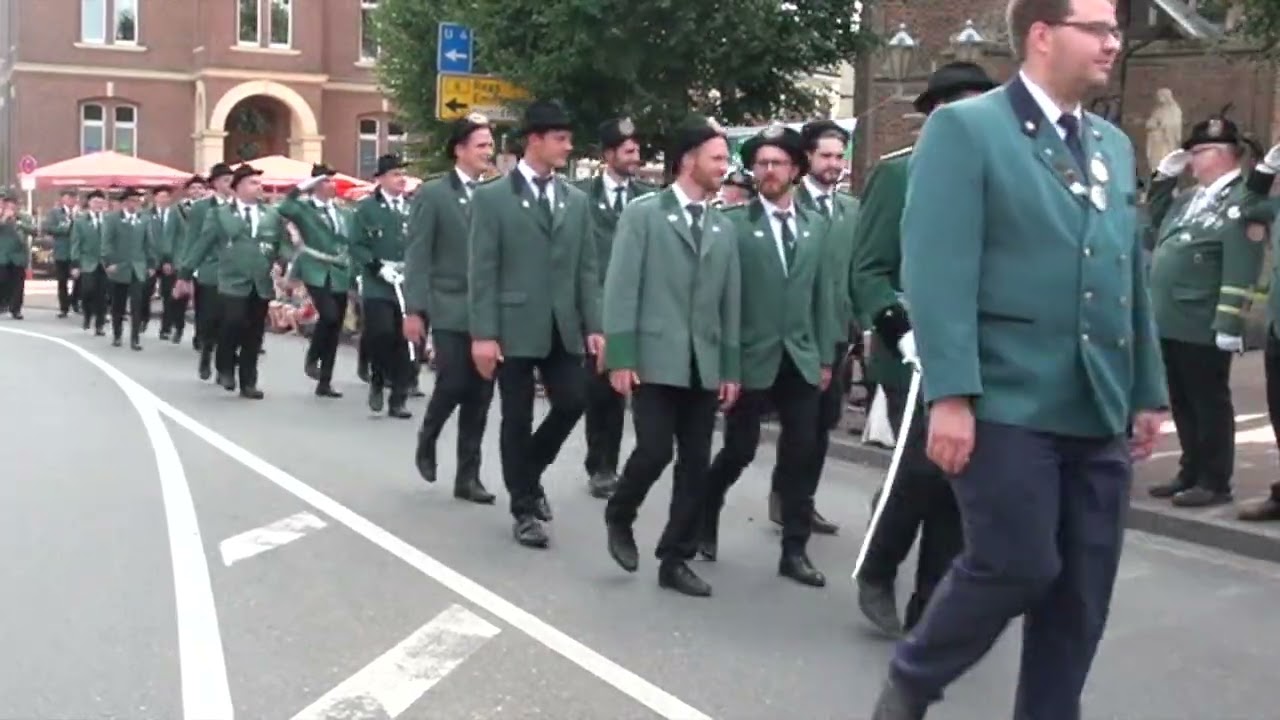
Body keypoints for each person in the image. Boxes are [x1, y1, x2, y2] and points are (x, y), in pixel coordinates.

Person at [869, 0, 1169, 717]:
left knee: (1081, 592)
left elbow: (1126, 271)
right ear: (1041, 35)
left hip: (1094, 399)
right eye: (1096, 29)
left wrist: (1146, 390)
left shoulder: (1110, 144)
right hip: (1005, 399)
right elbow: (939, 270)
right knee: (1017, 563)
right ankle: (912, 682)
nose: (1113, 43)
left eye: (1114, 30)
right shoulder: (967, 130)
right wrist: (949, 394)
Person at [849, 61, 996, 637]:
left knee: (960, 479)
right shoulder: (899, 175)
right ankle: (878, 566)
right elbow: (868, 269)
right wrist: (902, 329)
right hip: (911, 347)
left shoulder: (995, 177)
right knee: (922, 468)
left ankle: (931, 604)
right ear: (934, 115)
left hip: (978, 347)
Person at [603, 114, 740, 597]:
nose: (725, 166)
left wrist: (730, 367)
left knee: (696, 463)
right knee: (656, 449)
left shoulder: (723, 228)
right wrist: (620, 356)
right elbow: (621, 288)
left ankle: (675, 557)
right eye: (718, 157)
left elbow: (731, 304)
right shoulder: (644, 214)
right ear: (688, 160)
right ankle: (621, 511)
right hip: (653, 357)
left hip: (703, 363)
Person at [697, 125, 834, 588]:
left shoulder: (816, 227)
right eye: (761, 164)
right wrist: (724, 364)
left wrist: (824, 354)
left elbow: (821, 294)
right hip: (749, 358)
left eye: (777, 163)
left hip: (798, 356)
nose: (768, 171)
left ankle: (794, 549)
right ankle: (705, 511)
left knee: (801, 451)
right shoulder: (733, 225)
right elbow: (719, 301)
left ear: (796, 170)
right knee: (739, 449)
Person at [468, 99, 602, 549]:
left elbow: (587, 268)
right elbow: (482, 270)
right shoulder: (492, 198)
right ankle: (524, 508)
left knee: (572, 401)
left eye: (569, 138)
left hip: (563, 325)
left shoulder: (576, 200)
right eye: (560, 139)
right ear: (535, 141)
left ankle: (528, 471)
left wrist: (594, 324)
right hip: (512, 325)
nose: (568, 146)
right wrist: (483, 335)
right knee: (516, 417)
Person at [1144, 113, 1265, 508]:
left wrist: (1230, 321)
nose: (1192, 160)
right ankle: (1190, 470)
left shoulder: (1240, 202)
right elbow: (1154, 226)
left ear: (1226, 154)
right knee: (1181, 399)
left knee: (1207, 400)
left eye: (1200, 152)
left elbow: (1241, 264)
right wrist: (1163, 179)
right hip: (1172, 318)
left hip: (1203, 320)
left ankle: (1214, 479)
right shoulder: (1190, 200)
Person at [404, 113, 498, 504]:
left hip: (488, 309)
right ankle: (429, 435)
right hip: (448, 303)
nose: (488, 153)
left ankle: (468, 476)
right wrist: (415, 309)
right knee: (455, 381)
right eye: (481, 145)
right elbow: (418, 254)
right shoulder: (434, 194)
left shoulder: (496, 194)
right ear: (459, 150)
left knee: (481, 393)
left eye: (491, 145)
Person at [775, 118, 861, 537]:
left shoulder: (851, 210)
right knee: (800, 427)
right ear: (807, 157)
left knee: (824, 423)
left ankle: (802, 500)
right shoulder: (792, 207)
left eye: (839, 156)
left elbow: (857, 272)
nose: (834, 164)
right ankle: (786, 499)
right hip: (797, 334)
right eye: (825, 155)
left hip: (838, 333)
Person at [574, 116, 657, 499]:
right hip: (596, 308)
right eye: (628, 151)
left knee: (633, 389)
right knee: (601, 390)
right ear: (608, 155)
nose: (635, 156)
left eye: (637, 150)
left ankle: (627, 461)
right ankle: (601, 465)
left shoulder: (648, 198)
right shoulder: (580, 198)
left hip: (639, 307)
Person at [177, 164, 286, 399]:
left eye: (259, 183)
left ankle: (248, 381)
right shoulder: (220, 214)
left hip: (260, 281)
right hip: (231, 280)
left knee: (254, 333)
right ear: (237, 188)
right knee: (233, 322)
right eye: (253, 183)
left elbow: (281, 244)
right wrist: (185, 273)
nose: (259, 187)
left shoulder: (272, 214)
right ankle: (225, 364)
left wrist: (283, 264)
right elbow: (202, 243)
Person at [277, 163, 355, 398]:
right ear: (315, 185)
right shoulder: (304, 209)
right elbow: (285, 206)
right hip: (315, 268)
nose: (331, 185)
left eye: (332, 180)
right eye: (326, 181)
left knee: (336, 324)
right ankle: (312, 356)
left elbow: (348, 240)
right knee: (328, 315)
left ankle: (325, 380)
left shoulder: (343, 211)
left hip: (339, 269)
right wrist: (302, 187)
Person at [350, 154, 415, 419]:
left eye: (403, 174)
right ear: (380, 179)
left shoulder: (414, 207)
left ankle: (398, 397)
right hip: (379, 282)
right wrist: (378, 267)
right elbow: (356, 244)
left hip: (409, 280)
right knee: (382, 334)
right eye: (394, 174)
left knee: (406, 339)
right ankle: (377, 378)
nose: (401, 179)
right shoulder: (366, 209)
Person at [182, 163, 235, 379]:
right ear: (214, 183)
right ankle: (206, 351)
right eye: (225, 180)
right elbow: (193, 238)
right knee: (208, 317)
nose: (229, 184)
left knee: (230, 319)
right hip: (208, 270)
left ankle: (225, 366)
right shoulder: (201, 208)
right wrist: (187, 269)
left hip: (234, 272)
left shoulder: (240, 206)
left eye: (232, 180)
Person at [100, 187, 155, 350]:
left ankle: (135, 338)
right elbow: (106, 242)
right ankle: (117, 334)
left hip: (137, 267)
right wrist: (108, 262)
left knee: (137, 304)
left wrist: (151, 264)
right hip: (119, 267)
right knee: (118, 304)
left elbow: (149, 243)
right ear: (124, 202)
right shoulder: (113, 219)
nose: (135, 204)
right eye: (131, 200)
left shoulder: (144, 219)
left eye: (137, 201)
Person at [70, 190, 109, 335]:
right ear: (90, 204)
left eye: (101, 202)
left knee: (103, 294)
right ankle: (87, 315)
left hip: (105, 263)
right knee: (88, 291)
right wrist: (75, 264)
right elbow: (76, 243)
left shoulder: (108, 220)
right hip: (87, 261)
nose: (98, 205)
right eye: (95, 202)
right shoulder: (80, 221)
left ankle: (99, 324)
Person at [147, 185, 182, 340]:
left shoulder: (177, 215)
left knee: (169, 295)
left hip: (170, 260)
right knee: (144, 291)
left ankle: (166, 327)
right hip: (151, 260)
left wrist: (173, 260)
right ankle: (143, 316)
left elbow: (181, 238)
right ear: (154, 198)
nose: (163, 200)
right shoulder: (146, 215)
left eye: (166, 197)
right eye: (160, 196)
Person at [42, 190, 82, 318]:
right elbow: (48, 228)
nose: (71, 200)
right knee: (62, 281)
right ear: (63, 199)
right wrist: (65, 227)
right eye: (69, 197)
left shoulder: (80, 214)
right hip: (62, 251)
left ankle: (75, 301)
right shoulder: (55, 213)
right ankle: (64, 307)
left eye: (73, 197)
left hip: (77, 252)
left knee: (80, 279)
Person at [0, 193, 34, 319]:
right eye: (7, 205)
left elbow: (33, 230)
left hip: (19, 256)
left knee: (18, 284)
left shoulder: (24, 217)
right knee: (2, 280)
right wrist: (4, 218)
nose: (10, 208)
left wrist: (19, 223)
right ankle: (3, 303)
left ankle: (16, 309)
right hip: (3, 255)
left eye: (13, 206)